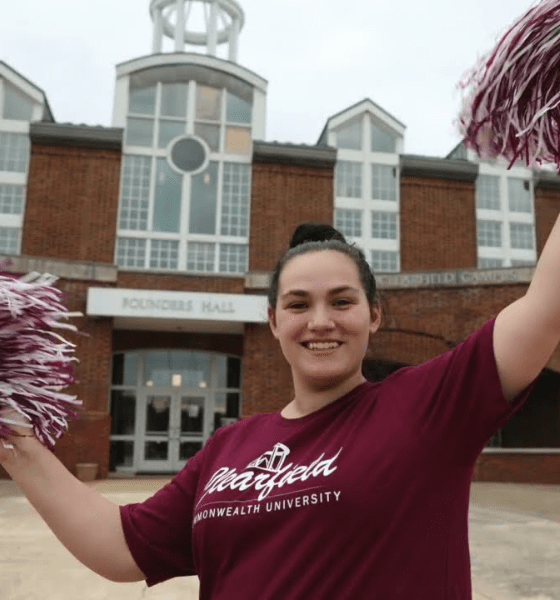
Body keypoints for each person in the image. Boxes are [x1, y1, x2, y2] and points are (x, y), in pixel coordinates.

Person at [2, 218, 560, 599]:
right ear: (273, 322)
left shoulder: (427, 405)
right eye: (298, 304)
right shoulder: (230, 447)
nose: (320, 321)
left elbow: (546, 306)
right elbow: (122, 546)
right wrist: (17, 440)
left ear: (375, 316)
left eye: (342, 301)